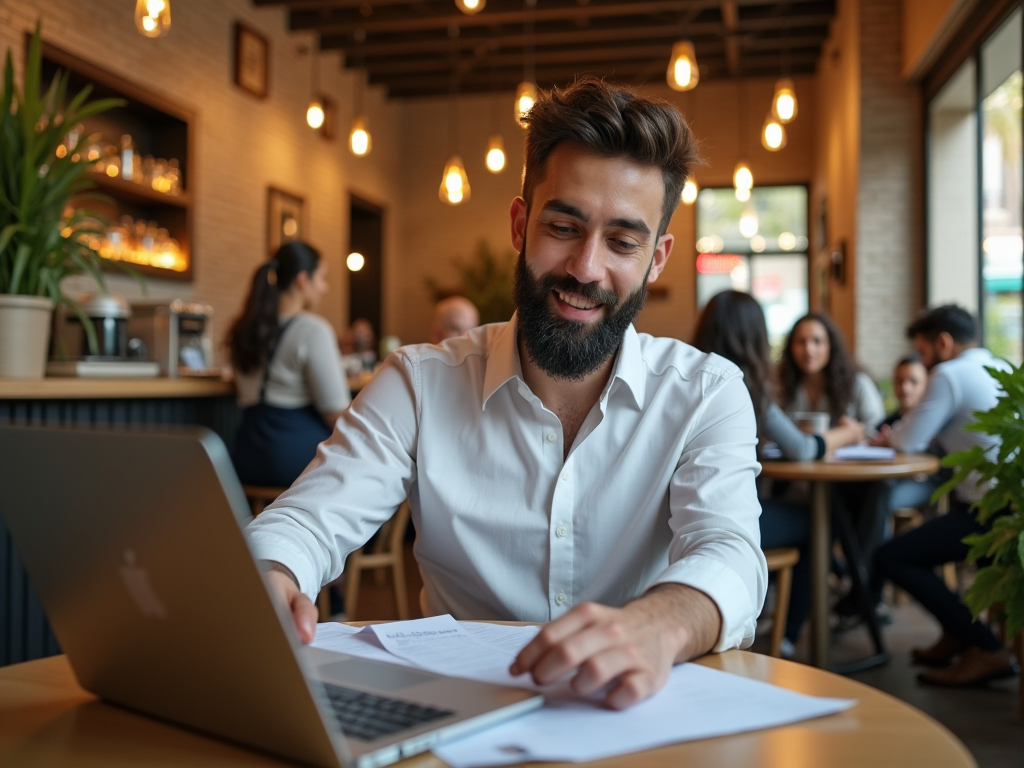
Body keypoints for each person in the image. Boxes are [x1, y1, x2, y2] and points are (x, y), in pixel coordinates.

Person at [246, 78, 767, 710]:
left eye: (623, 242)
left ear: (657, 259)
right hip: (451, 722)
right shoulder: (418, 381)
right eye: (563, 226)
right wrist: (270, 575)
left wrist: (661, 623)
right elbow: (306, 519)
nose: (585, 267)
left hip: (637, 718)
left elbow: (731, 553)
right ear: (521, 224)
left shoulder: (705, 393)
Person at [692, 291, 864, 657]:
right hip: (719, 520)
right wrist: (846, 434)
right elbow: (801, 449)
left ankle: (788, 622)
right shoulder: (740, 383)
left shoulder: (687, 372)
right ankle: (789, 634)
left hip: (678, 515)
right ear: (754, 336)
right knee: (819, 523)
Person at [872, 305, 1019, 686]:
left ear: (943, 342)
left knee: (892, 556)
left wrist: (887, 436)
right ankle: (958, 635)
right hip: (1011, 509)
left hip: (990, 515)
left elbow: (908, 440)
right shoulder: (999, 366)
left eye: (922, 352)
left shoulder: (949, 374)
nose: (923, 361)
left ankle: (988, 649)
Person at [228, 241, 351, 488]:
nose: (325, 288)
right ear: (302, 279)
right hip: (293, 460)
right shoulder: (313, 329)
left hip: (245, 457)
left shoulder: (244, 328)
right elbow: (335, 413)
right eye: (322, 278)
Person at [779, 313, 886, 428]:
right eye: (801, 341)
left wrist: (855, 431)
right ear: (790, 347)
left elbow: (878, 427)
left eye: (817, 341)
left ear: (831, 345)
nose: (809, 349)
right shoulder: (780, 384)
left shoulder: (857, 383)